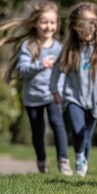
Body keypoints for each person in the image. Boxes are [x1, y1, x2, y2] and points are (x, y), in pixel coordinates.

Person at [0, 1, 72, 175]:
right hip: (32, 96)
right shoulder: (28, 46)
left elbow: (64, 73)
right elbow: (22, 71)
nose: (48, 26)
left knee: (57, 124)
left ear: (57, 24)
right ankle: (41, 161)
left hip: (52, 95)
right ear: (35, 23)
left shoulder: (59, 48)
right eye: (44, 22)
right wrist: (40, 65)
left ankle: (63, 161)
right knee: (37, 131)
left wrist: (61, 91)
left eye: (52, 22)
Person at [50, 2, 97, 177]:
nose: (86, 29)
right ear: (74, 26)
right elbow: (57, 69)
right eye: (82, 25)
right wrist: (54, 90)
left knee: (86, 134)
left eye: (91, 23)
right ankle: (80, 156)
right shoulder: (70, 48)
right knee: (77, 128)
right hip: (74, 96)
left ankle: (82, 164)